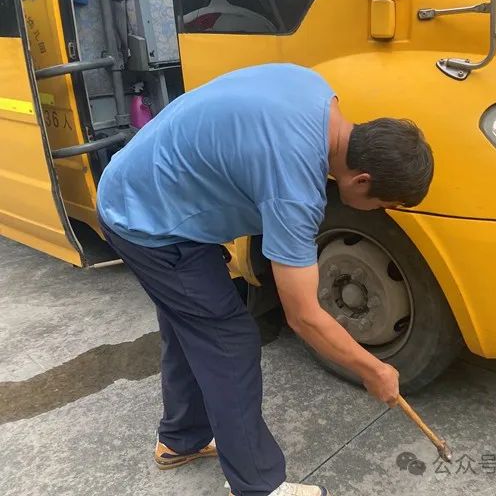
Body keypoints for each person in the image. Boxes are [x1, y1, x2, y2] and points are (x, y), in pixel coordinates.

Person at [96, 63, 434, 496]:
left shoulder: (315, 90)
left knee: (192, 323)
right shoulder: (295, 187)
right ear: (362, 179)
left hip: (143, 182)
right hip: (146, 221)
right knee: (229, 342)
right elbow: (304, 317)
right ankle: (257, 486)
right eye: (383, 204)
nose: (380, 212)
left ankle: (182, 439)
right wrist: (373, 369)